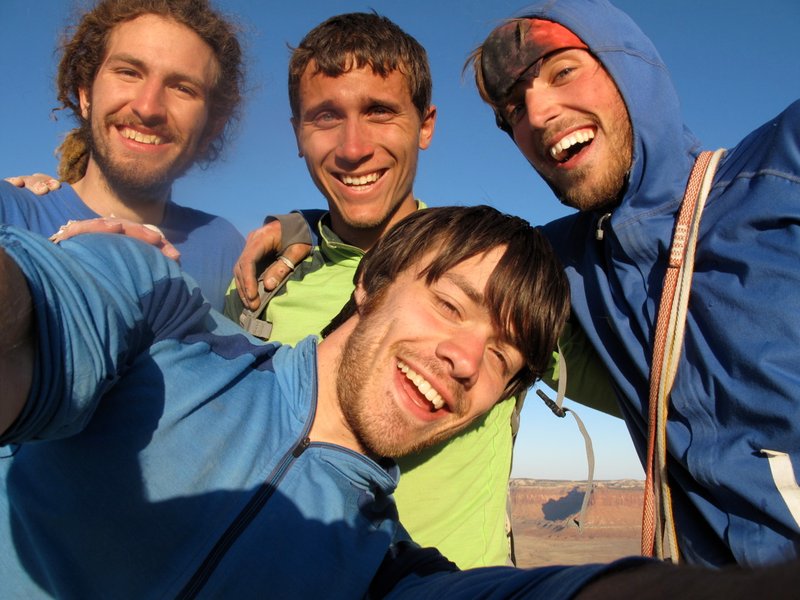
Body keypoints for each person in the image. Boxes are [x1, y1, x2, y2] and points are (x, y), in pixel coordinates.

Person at [0, 205, 579, 597]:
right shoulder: (166, 325)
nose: (466, 361)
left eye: (501, 359)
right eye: (450, 306)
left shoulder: (388, 571)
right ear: (371, 283)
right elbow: (41, 317)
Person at [467, 0, 800, 567]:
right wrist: (312, 228)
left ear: (631, 68)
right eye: (512, 109)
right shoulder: (564, 261)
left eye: (563, 71)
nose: (538, 112)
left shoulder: (779, 172)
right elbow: (433, 253)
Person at [224, 13, 520, 569]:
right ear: (297, 134)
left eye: (379, 112)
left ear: (426, 124)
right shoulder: (260, 284)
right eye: (325, 117)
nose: (352, 148)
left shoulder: (499, 279)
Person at [0, 0, 245, 311]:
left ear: (211, 127)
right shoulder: (9, 213)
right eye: (129, 72)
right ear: (85, 94)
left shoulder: (226, 249)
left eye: (183, 88)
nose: (148, 107)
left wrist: (297, 226)